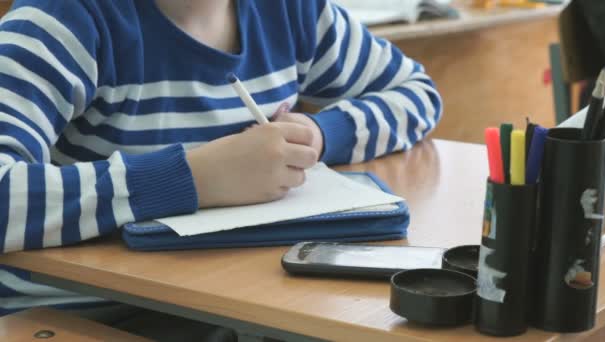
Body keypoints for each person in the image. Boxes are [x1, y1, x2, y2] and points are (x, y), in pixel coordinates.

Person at [0, 0, 442, 340]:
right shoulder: (65, 18)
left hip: (239, 306)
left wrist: (321, 135)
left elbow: (415, 92)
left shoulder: (292, 10)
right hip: (81, 314)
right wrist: (193, 178)